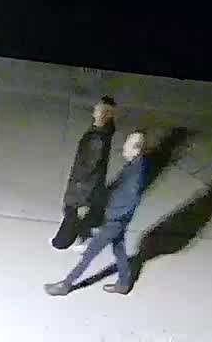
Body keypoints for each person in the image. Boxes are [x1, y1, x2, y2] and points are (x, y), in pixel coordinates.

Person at [45, 130, 149, 297]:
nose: (124, 147)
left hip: (113, 221)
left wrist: (107, 217)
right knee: (119, 250)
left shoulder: (135, 174)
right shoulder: (135, 165)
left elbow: (128, 201)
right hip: (117, 221)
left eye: (128, 144)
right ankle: (124, 283)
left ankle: (65, 285)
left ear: (136, 149)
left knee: (89, 254)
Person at [52, 97, 116, 249]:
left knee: (71, 216)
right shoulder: (103, 132)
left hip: (81, 188)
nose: (95, 111)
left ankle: (62, 242)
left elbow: (88, 166)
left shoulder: (97, 138)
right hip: (86, 188)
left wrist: (80, 190)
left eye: (99, 110)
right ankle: (75, 237)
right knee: (74, 215)